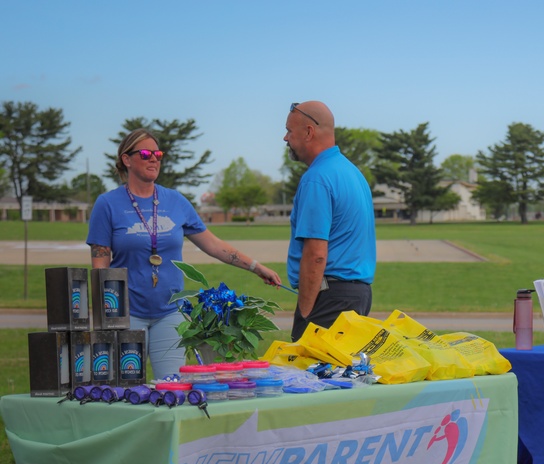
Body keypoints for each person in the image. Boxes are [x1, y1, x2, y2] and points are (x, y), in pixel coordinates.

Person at [87, 128, 282, 380]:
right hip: (125, 315)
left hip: (170, 313)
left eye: (158, 153)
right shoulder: (107, 204)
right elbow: (100, 266)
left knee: (172, 390)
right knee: (125, 391)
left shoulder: (176, 201)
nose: (154, 158)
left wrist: (256, 266)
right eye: (145, 153)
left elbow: (213, 245)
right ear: (126, 159)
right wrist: (103, 317)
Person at [283, 101, 376, 341]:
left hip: (330, 297)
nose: (285, 138)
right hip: (357, 294)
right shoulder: (352, 172)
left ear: (308, 132)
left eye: (290, 131)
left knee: (312, 377)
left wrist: (305, 313)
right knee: (343, 377)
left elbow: (316, 253)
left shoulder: (317, 178)